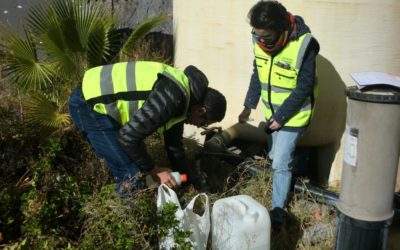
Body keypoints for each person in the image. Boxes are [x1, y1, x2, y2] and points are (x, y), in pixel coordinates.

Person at [68, 61, 226, 195]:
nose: (199, 127)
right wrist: (155, 170)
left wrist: (186, 180)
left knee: (136, 159)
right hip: (88, 106)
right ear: (201, 110)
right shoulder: (171, 97)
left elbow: (174, 145)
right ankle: (125, 222)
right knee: (131, 175)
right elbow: (127, 138)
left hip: (96, 97)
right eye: (204, 123)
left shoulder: (184, 97)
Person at [238, 1, 320, 230]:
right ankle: (287, 177)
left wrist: (282, 117)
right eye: (256, 34)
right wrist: (249, 104)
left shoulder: (305, 45)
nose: (260, 40)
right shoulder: (259, 41)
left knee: (281, 162)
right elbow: (259, 71)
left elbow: (304, 88)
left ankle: (278, 215)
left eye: (265, 36)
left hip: (293, 116)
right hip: (273, 113)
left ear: (281, 29)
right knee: (275, 157)